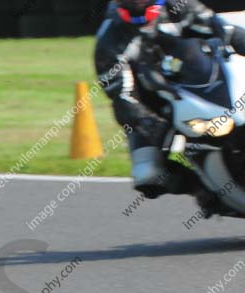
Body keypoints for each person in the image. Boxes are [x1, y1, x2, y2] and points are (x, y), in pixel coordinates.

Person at [95, 0, 245, 198]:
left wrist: (237, 39)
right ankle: (202, 191)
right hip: (153, 104)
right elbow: (122, 96)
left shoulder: (179, 6)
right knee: (147, 175)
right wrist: (149, 123)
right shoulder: (110, 39)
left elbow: (222, 29)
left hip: (200, 85)